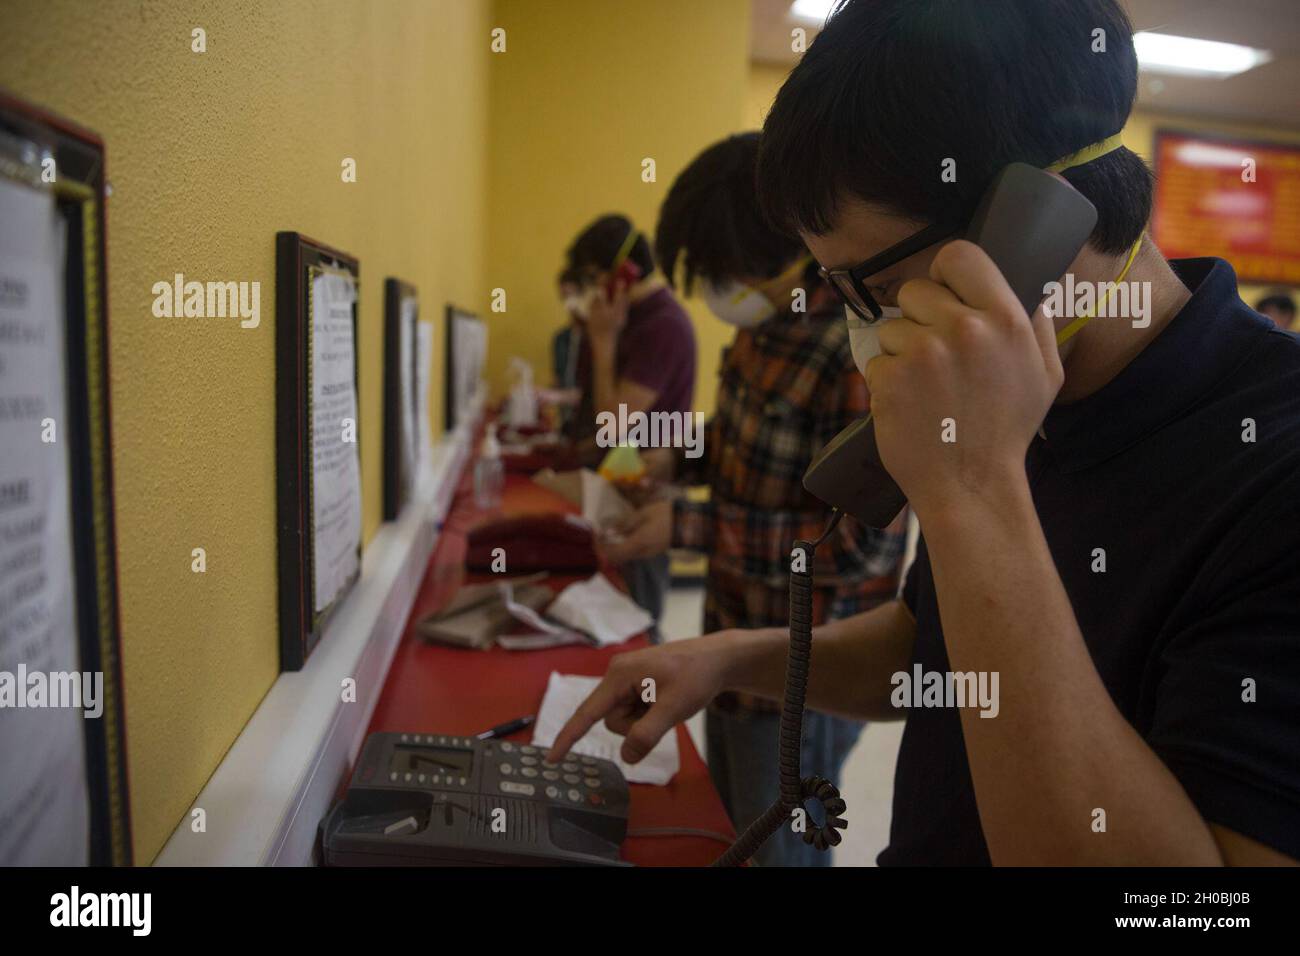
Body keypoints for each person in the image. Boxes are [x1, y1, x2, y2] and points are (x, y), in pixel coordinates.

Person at [550, 0, 1300, 865]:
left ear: (1031, 228)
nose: (856, 325)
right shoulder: (1029, 403)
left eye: (864, 287)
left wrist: (974, 488)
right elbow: (936, 649)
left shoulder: (1269, 474)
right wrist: (729, 659)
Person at [603, 132, 907, 865]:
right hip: (729, 636)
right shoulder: (759, 332)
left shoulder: (856, 350)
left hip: (805, 664)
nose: (718, 291)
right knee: (731, 833)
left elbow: (853, 542)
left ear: (791, 246)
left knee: (782, 854)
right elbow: (752, 446)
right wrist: (679, 459)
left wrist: (689, 523)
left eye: (725, 271)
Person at [563, 214, 697, 631]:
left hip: (641, 492)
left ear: (621, 274)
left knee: (636, 617)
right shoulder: (629, 318)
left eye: (590, 278)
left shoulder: (662, 326)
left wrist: (603, 342)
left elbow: (612, 423)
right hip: (611, 481)